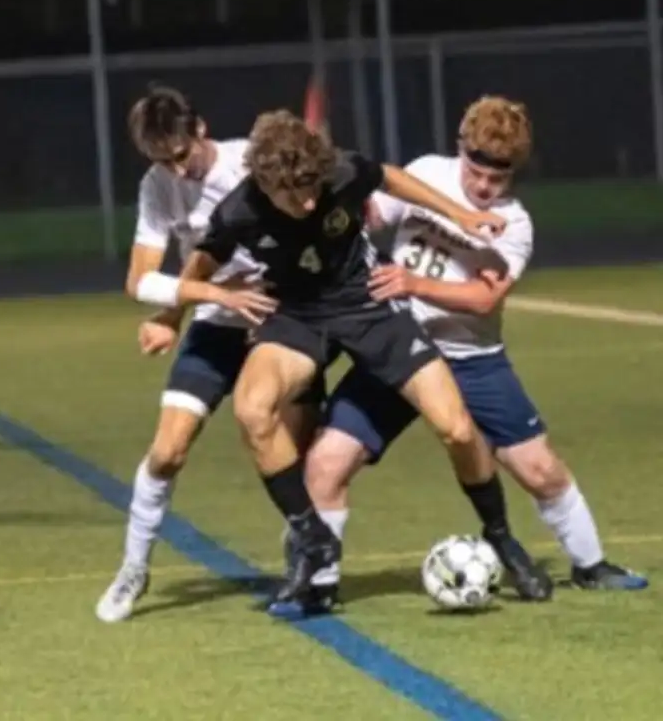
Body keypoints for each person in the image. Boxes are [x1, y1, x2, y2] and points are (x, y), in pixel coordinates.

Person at [161, 109, 551, 613]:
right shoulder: (240, 211)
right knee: (253, 409)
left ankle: (500, 535)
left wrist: (462, 216)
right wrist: (171, 316)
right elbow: (202, 262)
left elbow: (389, 176)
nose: (306, 200)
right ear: (263, 183)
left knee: (456, 429)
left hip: (370, 307)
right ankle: (311, 540)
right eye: (292, 194)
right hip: (298, 316)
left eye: (310, 188)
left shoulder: (337, 171)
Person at [286, 95, 647, 613]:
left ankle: (590, 565)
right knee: (325, 464)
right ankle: (318, 585)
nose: (483, 187)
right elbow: (369, 214)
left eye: (496, 180)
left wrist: (411, 281)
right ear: (460, 151)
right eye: (476, 173)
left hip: (472, 358)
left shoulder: (513, 223)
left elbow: (484, 299)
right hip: (396, 348)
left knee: (541, 469)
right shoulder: (427, 173)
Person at [96, 86, 319, 623]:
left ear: (200, 129)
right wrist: (195, 306)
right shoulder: (157, 187)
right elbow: (139, 280)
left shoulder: (252, 161)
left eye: (180, 156)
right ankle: (133, 568)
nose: (176, 171)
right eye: (161, 161)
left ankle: (305, 565)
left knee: (292, 451)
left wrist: (187, 300)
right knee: (168, 450)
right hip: (216, 324)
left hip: (281, 319)